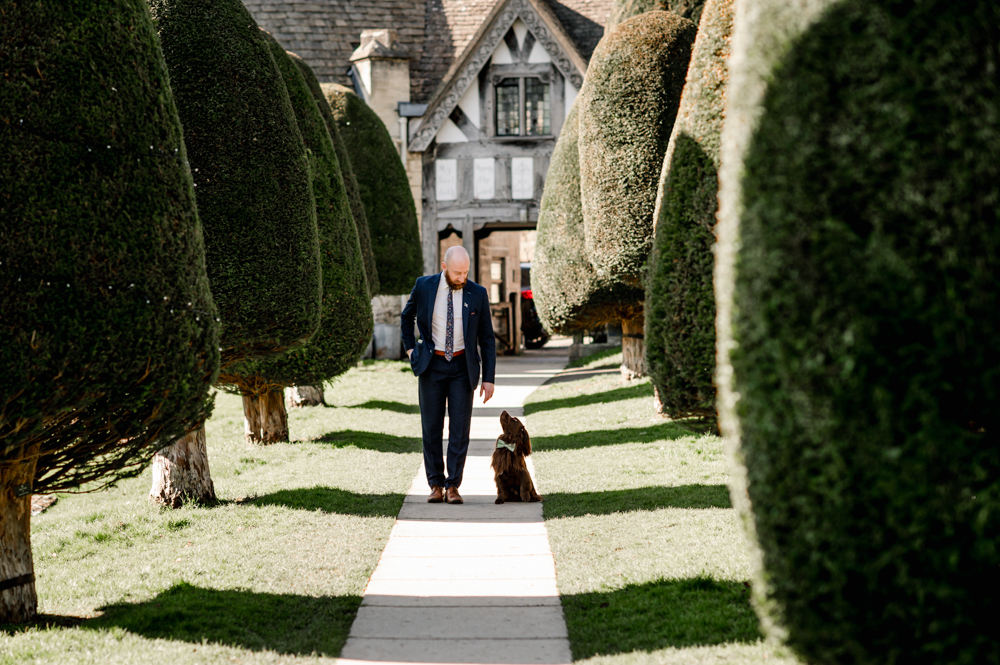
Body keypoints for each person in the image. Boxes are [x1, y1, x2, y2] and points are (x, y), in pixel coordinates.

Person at [401, 246, 496, 504]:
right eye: (457, 273)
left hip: (462, 368)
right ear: (444, 267)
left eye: (465, 272)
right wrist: (411, 349)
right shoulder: (424, 286)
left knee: (459, 429)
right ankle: (435, 484)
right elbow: (406, 317)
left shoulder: (477, 293)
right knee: (431, 427)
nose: (462, 278)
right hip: (431, 365)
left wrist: (489, 377)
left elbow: (487, 338)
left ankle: (453, 485)